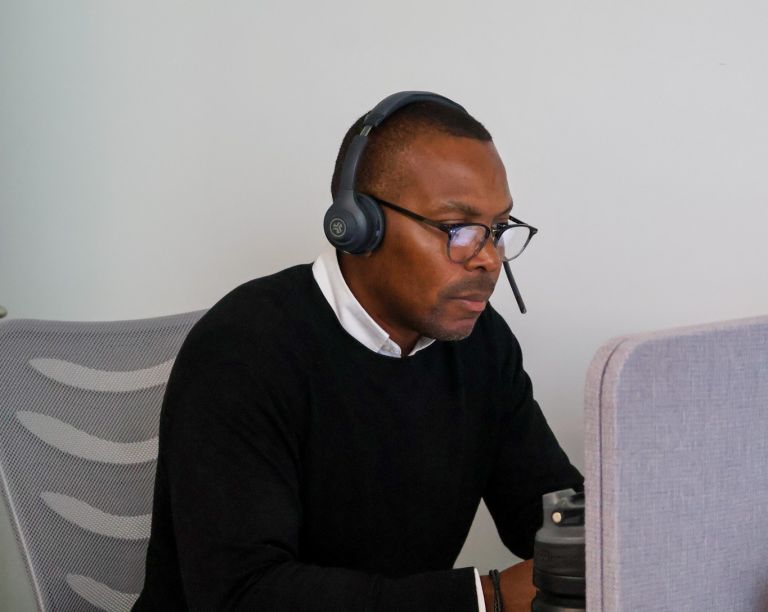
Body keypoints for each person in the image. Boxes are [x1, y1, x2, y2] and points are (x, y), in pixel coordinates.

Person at [133, 92, 583, 611]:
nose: (488, 260)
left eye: (499, 229)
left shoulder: (480, 344)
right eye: (457, 229)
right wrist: (487, 598)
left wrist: (621, 538)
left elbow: (547, 513)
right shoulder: (242, 350)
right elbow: (242, 594)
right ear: (359, 226)